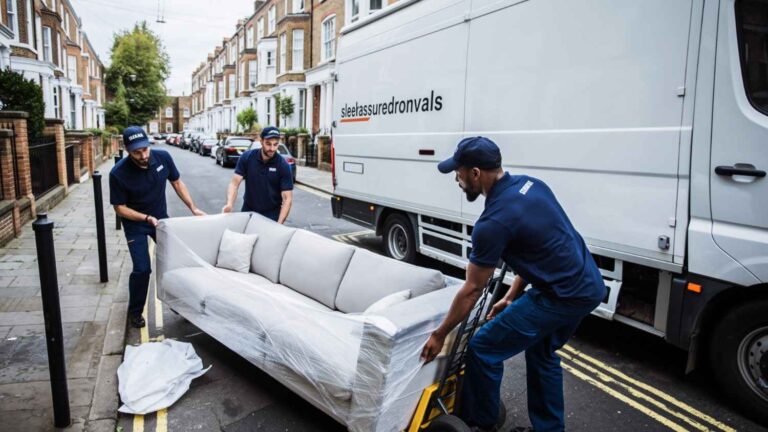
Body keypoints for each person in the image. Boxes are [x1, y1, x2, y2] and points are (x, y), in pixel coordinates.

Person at [421, 136, 606, 432]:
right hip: (588, 284)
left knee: (483, 347)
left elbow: (472, 289)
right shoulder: (532, 185)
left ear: (476, 173)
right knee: (542, 352)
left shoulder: (493, 222)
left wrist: (440, 334)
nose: (456, 178)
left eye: (458, 171)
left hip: (561, 295)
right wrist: (510, 296)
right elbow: (538, 250)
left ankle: (481, 423)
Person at [110, 126, 206, 328]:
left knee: (176, 262)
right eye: (137, 152)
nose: (143, 155)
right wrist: (145, 218)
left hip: (161, 220)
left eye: (145, 149)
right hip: (136, 224)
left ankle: (178, 303)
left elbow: (177, 183)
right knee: (142, 269)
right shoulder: (118, 173)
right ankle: (135, 312)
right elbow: (119, 208)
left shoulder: (163, 158)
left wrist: (193, 208)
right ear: (127, 150)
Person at [222, 126, 293, 223]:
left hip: (271, 216)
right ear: (261, 141)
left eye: (275, 144)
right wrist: (229, 204)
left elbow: (287, 198)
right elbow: (234, 184)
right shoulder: (247, 157)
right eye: (268, 144)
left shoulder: (283, 165)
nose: (272, 148)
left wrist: (279, 224)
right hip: (248, 212)